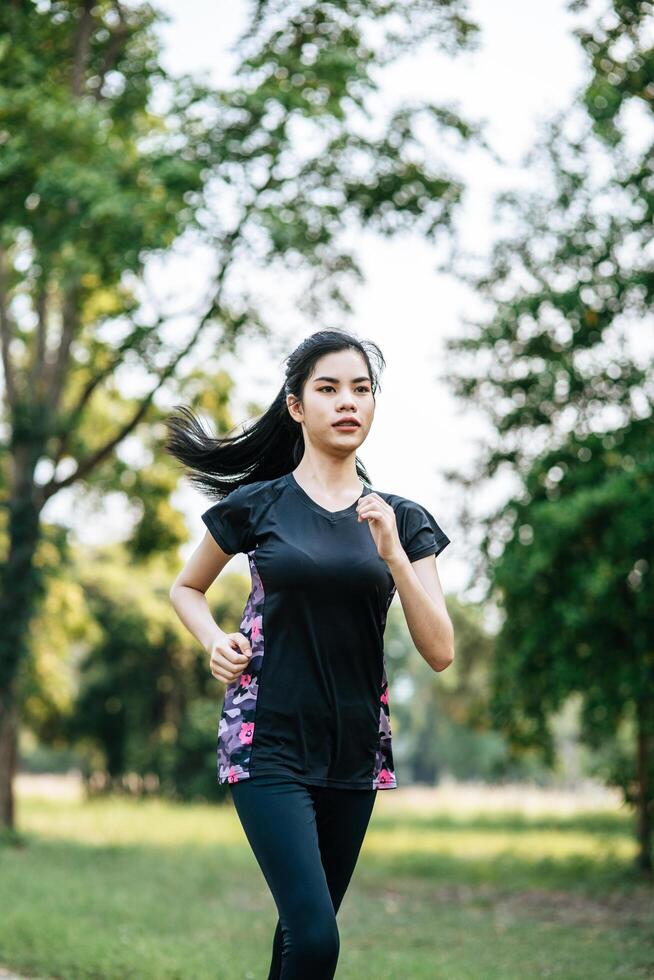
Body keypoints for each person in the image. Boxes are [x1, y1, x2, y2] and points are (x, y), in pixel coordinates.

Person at [166, 328, 455, 979]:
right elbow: (186, 589)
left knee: (300, 935)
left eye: (361, 389)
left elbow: (439, 650)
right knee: (316, 938)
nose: (347, 402)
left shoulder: (404, 521)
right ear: (296, 406)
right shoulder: (257, 505)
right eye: (328, 388)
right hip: (265, 739)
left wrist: (392, 557)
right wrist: (215, 640)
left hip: (353, 747)